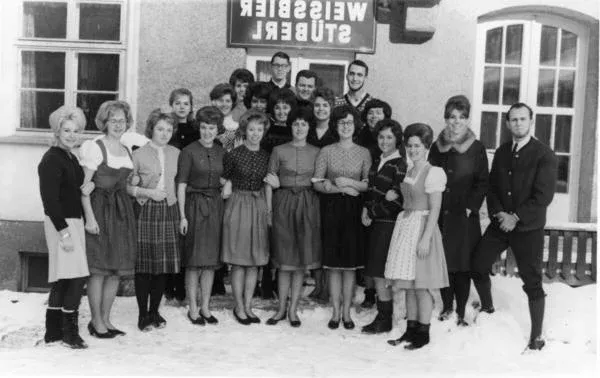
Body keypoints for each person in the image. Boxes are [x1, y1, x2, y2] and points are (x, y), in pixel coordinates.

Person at [471, 103, 558, 351]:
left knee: (532, 281)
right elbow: (493, 188)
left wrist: (516, 217)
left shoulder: (544, 154)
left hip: (527, 228)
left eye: (522, 119)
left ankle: (536, 336)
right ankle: (488, 308)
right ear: (507, 123)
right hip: (500, 224)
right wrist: (500, 214)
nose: (518, 123)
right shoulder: (501, 152)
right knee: (477, 264)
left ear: (531, 121)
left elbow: (543, 197)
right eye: (513, 120)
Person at [385, 123, 448, 350]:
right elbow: (410, 200)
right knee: (409, 285)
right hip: (407, 227)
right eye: (409, 146)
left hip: (423, 229)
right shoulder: (410, 171)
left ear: (426, 147)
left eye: (417, 146)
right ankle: (411, 330)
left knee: (421, 286)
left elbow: (435, 209)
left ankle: (423, 332)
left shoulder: (434, 172)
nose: (412, 150)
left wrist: (425, 239)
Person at [428, 95, 489, 326]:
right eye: (452, 117)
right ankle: (446, 306)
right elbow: (430, 176)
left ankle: (461, 310)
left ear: (467, 119)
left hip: (463, 215)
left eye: (461, 117)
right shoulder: (437, 146)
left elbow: (483, 181)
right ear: (446, 119)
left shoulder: (476, 147)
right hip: (441, 212)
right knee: (445, 262)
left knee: (462, 264)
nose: (456, 122)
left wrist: (470, 207)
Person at [80, 100, 137, 338]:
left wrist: (134, 183)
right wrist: (90, 219)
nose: (117, 124)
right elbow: (84, 188)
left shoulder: (125, 149)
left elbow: (124, 183)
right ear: (104, 122)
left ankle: (106, 319)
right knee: (99, 269)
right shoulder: (95, 146)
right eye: (113, 120)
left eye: (122, 120)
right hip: (100, 210)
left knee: (115, 269)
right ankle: (95, 321)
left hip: (122, 212)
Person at [313, 105, 371, 330]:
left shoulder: (364, 152)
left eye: (349, 122)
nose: (345, 126)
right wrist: (341, 190)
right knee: (333, 265)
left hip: (355, 212)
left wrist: (349, 183)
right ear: (335, 126)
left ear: (355, 125)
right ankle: (335, 312)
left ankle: (347, 312)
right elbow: (317, 182)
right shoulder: (326, 151)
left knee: (350, 266)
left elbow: (367, 184)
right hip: (332, 210)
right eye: (341, 123)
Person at [39, 106, 91, 349]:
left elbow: (76, 188)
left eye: (76, 130)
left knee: (64, 278)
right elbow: (50, 201)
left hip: (75, 221)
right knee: (76, 276)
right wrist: (64, 232)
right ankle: (70, 333)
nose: (71, 135)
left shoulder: (70, 156)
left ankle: (53, 332)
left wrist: (88, 187)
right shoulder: (51, 159)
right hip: (62, 223)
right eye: (66, 130)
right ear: (57, 131)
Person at [264, 107, 322, 327]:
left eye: (304, 124)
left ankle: (293, 309)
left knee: (299, 260)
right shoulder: (279, 150)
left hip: (308, 204)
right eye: (296, 124)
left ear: (309, 127)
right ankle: (280, 309)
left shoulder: (317, 152)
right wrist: (269, 211)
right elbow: (270, 182)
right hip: (283, 203)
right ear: (291, 126)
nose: (299, 128)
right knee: (284, 258)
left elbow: (319, 180)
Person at [128, 109, 181, 331]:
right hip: (146, 210)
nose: (164, 133)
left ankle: (154, 311)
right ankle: (142, 314)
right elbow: (128, 186)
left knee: (162, 266)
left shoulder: (177, 153)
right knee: (145, 266)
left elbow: (180, 182)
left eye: (169, 130)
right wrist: (147, 193)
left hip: (168, 210)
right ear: (152, 129)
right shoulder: (138, 154)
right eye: (160, 129)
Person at [177, 106, 226, 325]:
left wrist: (227, 185)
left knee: (210, 262)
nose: (207, 132)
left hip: (215, 206)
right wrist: (182, 216)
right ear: (199, 127)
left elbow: (227, 177)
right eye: (204, 127)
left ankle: (206, 306)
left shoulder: (221, 151)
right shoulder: (188, 151)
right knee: (194, 261)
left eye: (212, 128)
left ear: (218, 129)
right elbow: (181, 185)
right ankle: (193, 307)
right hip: (194, 207)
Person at [221, 110, 271, 325]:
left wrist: (268, 210)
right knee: (238, 261)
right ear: (244, 130)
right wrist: (229, 183)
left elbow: (269, 182)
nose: (255, 134)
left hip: (257, 204)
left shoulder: (267, 156)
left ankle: (248, 305)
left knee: (254, 261)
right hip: (238, 205)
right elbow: (221, 177)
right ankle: (238, 306)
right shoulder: (233, 154)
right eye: (251, 129)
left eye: (259, 129)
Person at [361, 119, 407, 334]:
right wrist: (366, 210)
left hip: (388, 224)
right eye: (381, 137)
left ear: (397, 139)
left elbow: (396, 201)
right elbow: (372, 192)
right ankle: (383, 315)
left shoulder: (400, 165)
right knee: (376, 271)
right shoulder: (378, 160)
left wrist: (373, 211)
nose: (385, 141)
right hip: (375, 223)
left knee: (381, 272)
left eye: (389, 137)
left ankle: (385, 318)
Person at [356, 98, 395, 309]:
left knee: (381, 260)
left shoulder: (397, 157)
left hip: (385, 214)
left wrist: (374, 209)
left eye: (378, 113)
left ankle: (385, 308)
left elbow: (396, 192)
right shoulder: (363, 140)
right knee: (370, 255)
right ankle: (371, 293)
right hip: (368, 205)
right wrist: (366, 209)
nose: (373, 116)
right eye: (370, 113)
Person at [165, 88, 197, 303]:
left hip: (190, 187)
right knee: (172, 238)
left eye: (186, 103)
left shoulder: (195, 129)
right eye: (178, 103)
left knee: (188, 239)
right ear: (172, 105)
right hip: (170, 184)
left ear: (191, 106)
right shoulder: (168, 129)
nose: (182, 107)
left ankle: (184, 287)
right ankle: (170, 284)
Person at [212, 83, 241, 154]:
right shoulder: (206, 125)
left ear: (233, 103)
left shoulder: (238, 128)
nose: (224, 104)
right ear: (214, 102)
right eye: (220, 100)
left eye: (228, 101)